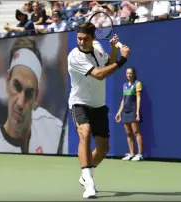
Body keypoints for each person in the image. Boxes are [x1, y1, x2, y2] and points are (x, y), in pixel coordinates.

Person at [67, 21, 131, 198]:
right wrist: (123, 59)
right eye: (78, 38)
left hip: (99, 105)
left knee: (102, 150)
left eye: (85, 39)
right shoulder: (74, 56)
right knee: (84, 133)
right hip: (79, 102)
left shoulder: (97, 46)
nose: (81, 42)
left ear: (93, 38)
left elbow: (106, 64)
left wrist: (114, 51)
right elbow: (99, 75)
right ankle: (89, 183)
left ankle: (85, 174)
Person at [0, 37, 68, 154]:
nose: (21, 102)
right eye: (17, 86)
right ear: (7, 81)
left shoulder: (58, 133)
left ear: (37, 93)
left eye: (29, 92)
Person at [115, 67, 144, 161]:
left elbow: (138, 98)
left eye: (130, 73)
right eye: (127, 73)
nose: (128, 75)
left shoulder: (138, 84)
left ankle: (140, 154)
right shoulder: (124, 85)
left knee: (136, 132)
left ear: (134, 74)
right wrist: (119, 112)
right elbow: (123, 100)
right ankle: (131, 153)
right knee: (128, 133)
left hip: (133, 111)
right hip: (125, 112)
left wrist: (137, 112)